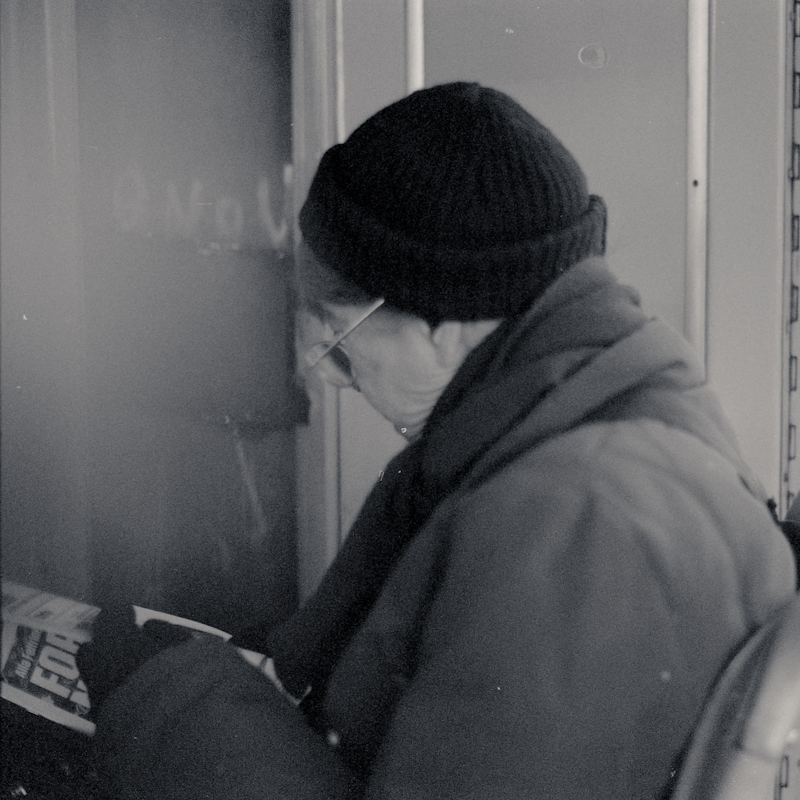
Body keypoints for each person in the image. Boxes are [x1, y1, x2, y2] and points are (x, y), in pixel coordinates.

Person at [77, 82, 796, 799]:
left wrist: (168, 706)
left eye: (338, 338)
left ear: (447, 323)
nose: (326, 377)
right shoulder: (622, 429)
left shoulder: (575, 520)